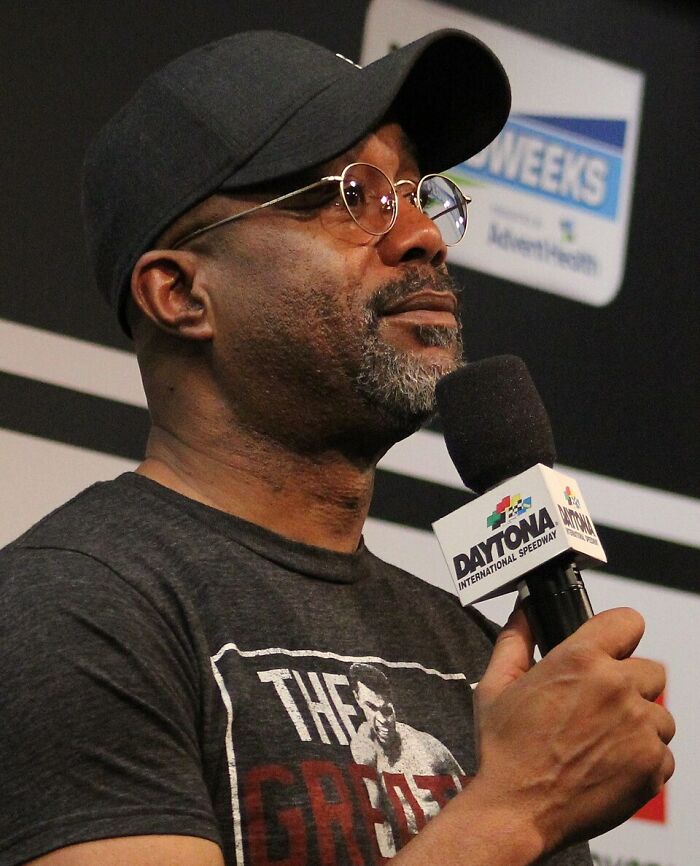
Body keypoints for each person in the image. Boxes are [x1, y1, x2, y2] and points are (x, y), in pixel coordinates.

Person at [0, 28, 673, 866]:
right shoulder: (70, 609)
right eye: (353, 196)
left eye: (421, 194)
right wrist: (516, 811)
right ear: (180, 294)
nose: (423, 234)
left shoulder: (472, 652)